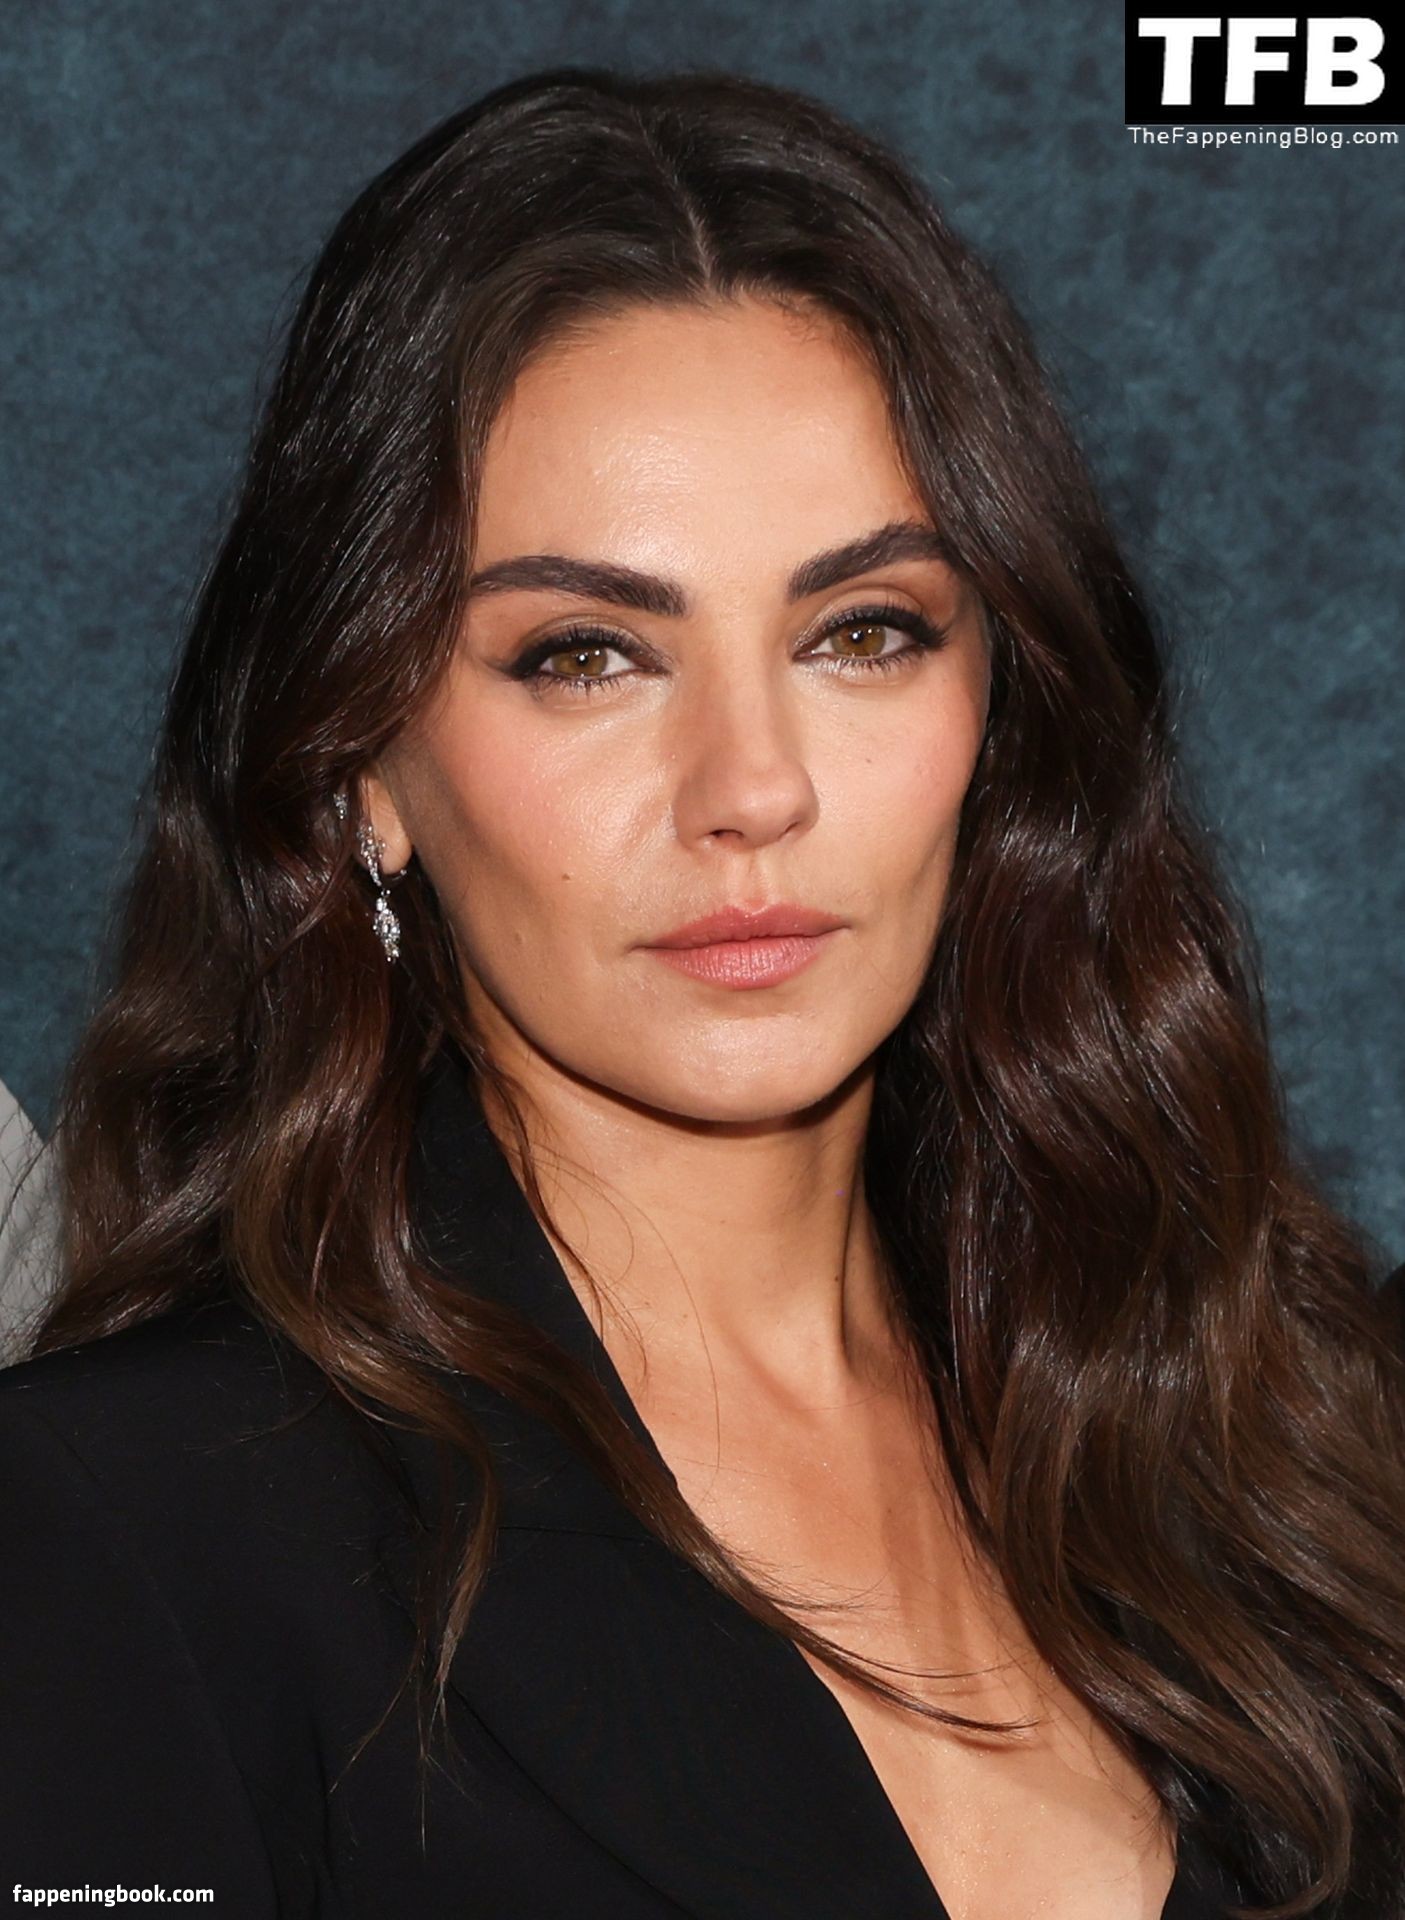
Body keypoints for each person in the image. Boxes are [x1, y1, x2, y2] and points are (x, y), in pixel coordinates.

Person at [1, 64, 1402, 1920]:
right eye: (585, 654)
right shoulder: (130, 1528)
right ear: (359, 769)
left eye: (862, 633)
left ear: (999, 711)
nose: (752, 787)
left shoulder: (1300, 1428)